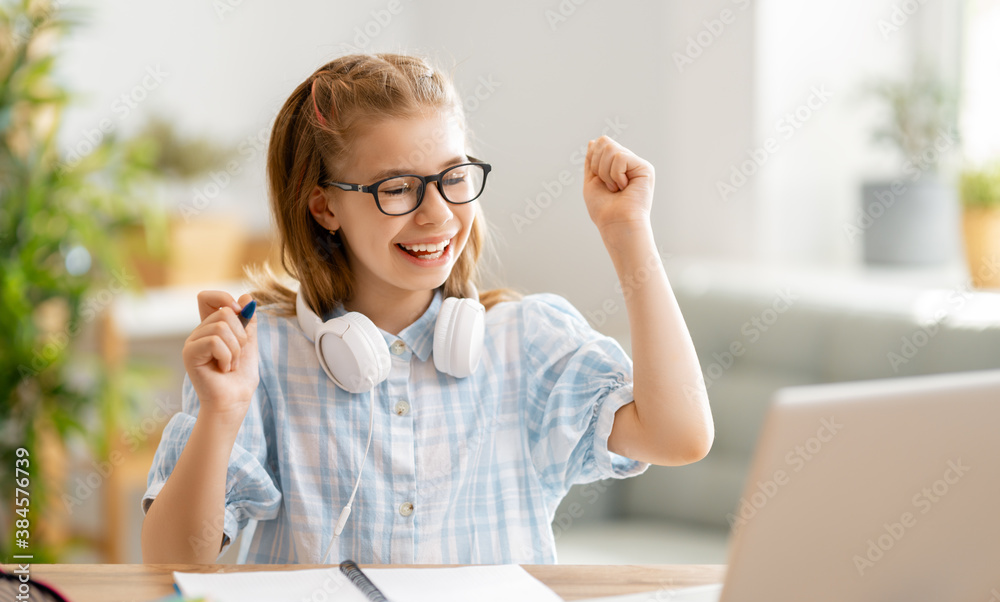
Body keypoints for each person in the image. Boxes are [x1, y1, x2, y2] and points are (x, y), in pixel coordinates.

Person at [140, 53, 713, 565]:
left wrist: (627, 231)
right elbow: (172, 559)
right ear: (324, 207)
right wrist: (221, 413)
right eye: (397, 188)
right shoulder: (260, 354)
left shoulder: (526, 341)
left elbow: (680, 436)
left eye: (453, 178)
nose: (437, 215)